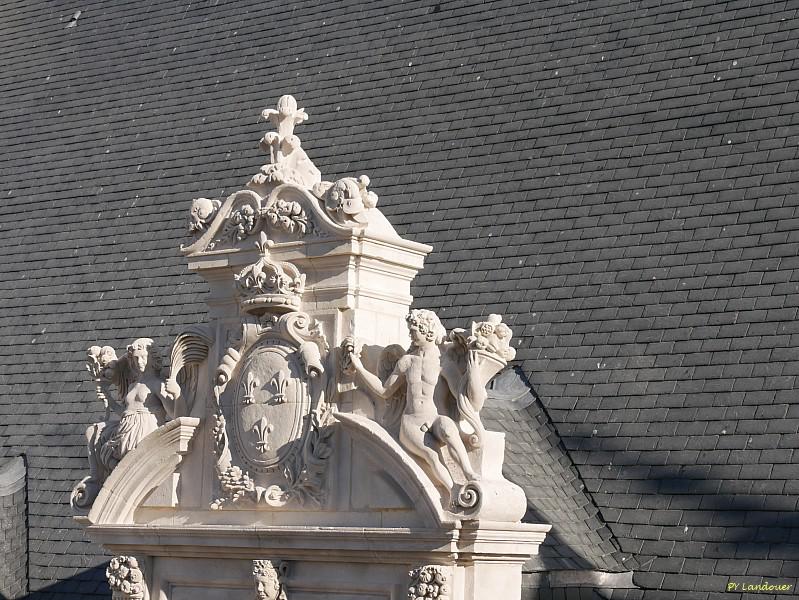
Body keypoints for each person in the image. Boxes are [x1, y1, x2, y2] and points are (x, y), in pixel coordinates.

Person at [346, 309, 478, 490]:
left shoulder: (444, 363)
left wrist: (474, 371)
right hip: (411, 423)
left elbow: (461, 396)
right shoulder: (406, 361)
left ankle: (468, 472)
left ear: (427, 331)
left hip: (433, 418)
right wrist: (360, 368)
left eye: (413, 330)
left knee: (448, 428)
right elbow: (385, 391)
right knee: (432, 456)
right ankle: (453, 489)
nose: (410, 334)